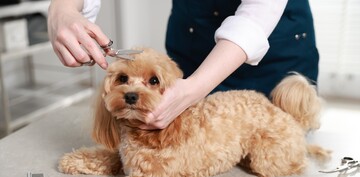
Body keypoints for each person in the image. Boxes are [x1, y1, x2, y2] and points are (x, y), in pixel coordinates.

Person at [47, 0, 319, 130]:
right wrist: (63, 9)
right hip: (193, 35)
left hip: (275, 46)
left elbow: (258, 13)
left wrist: (195, 89)